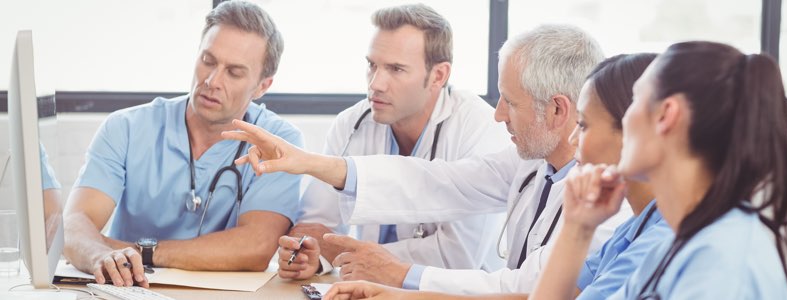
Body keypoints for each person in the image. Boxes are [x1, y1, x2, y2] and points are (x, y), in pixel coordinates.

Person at [224, 24, 630, 293]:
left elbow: (526, 288)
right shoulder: (530, 164)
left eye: (510, 102)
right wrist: (307, 161)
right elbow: (439, 182)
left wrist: (399, 275)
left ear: (557, 111)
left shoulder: (607, 199)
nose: (499, 114)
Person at [318, 53, 675, 300]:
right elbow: (444, 183)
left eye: (584, 124)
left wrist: (401, 279)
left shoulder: (660, 238)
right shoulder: (633, 230)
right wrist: (396, 294)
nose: (574, 138)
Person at [62, 0, 303, 288]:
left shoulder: (279, 142)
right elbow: (74, 223)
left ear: (263, 86)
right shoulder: (126, 128)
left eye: (234, 72)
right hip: (129, 290)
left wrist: (140, 252)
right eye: (208, 61)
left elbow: (257, 246)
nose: (212, 80)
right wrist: (100, 254)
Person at [537, 41, 787, 299]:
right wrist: (578, 226)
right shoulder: (674, 246)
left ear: (666, 115)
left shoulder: (720, 263)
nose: (625, 118)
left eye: (635, 100)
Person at [278, 3, 509, 282]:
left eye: (396, 69)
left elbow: (457, 256)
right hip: (364, 286)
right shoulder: (352, 123)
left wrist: (345, 254)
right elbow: (317, 223)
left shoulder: (479, 128)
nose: (376, 84)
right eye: (371, 65)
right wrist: (309, 253)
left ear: (438, 75)